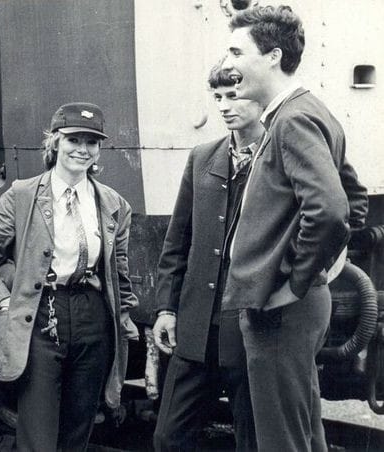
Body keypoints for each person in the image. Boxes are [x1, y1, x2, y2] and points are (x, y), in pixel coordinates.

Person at [221, 5, 368, 451]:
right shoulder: (305, 111)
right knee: (303, 434)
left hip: (280, 308)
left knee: (280, 439)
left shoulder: (291, 120)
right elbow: (354, 201)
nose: (228, 65)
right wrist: (320, 267)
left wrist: (296, 281)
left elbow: (330, 211)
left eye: (236, 51)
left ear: (272, 56)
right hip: (292, 308)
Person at [0, 102, 139, 451]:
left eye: (92, 142)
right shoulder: (23, 195)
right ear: (55, 141)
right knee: (38, 433)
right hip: (41, 315)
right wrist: (4, 301)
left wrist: (125, 311)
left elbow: (119, 270)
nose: (82, 150)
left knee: (79, 428)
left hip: (92, 314)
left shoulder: (114, 204)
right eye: (74, 139)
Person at [152, 63, 260, 451]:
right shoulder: (202, 157)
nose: (225, 106)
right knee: (168, 439)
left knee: (254, 440)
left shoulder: (276, 159)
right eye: (218, 97)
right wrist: (166, 309)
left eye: (234, 95)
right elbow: (177, 242)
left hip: (250, 333)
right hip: (195, 331)